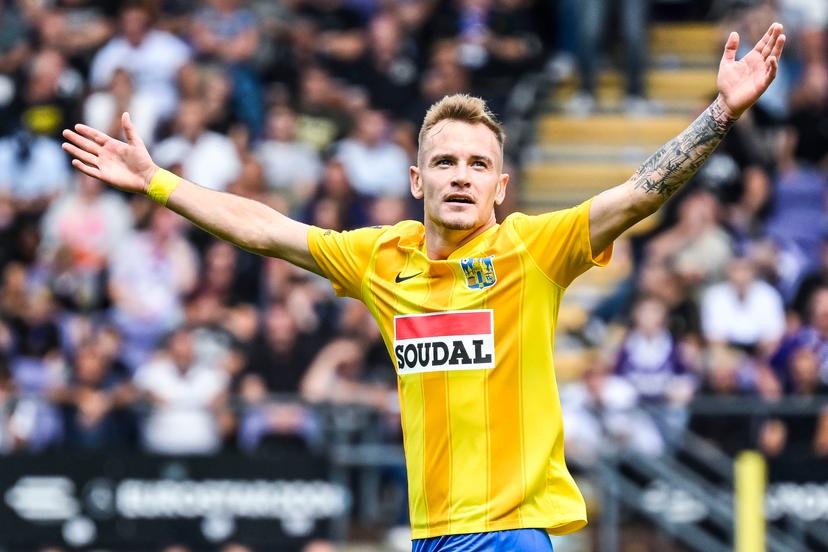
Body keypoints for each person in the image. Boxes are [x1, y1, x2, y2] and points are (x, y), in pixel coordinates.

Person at [61, 23, 785, 551]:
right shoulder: (381, 259)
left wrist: (722, 113)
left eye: (478, 164)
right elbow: (265, 230)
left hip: (510, 534)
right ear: (417, 180)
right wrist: (158, 182)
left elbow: (638, 194)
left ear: (501, 186)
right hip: (430, 534)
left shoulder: (532, 249)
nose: (461, 176)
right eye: (445, 162)